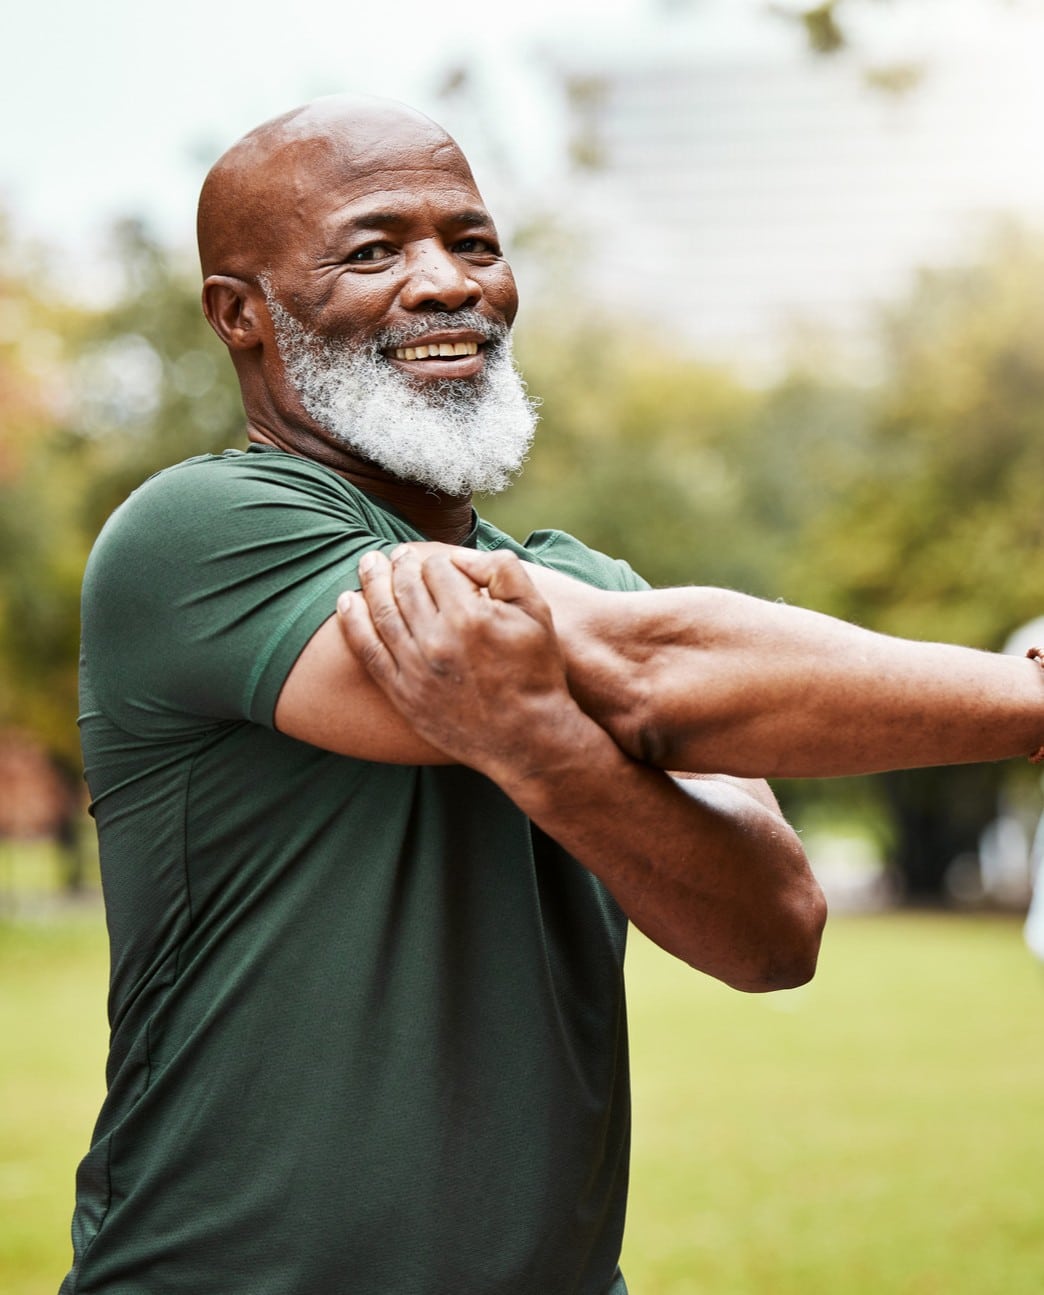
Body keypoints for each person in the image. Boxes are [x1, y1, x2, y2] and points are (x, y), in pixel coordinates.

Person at [62, 95, 1044, 1295]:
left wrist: (543, 749)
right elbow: (648, 669)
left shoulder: (589, 585)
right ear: (241, 314)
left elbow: (774, 930)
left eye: (472, 241)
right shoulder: (200, 532)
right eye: (374, 250)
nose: (444, 283)